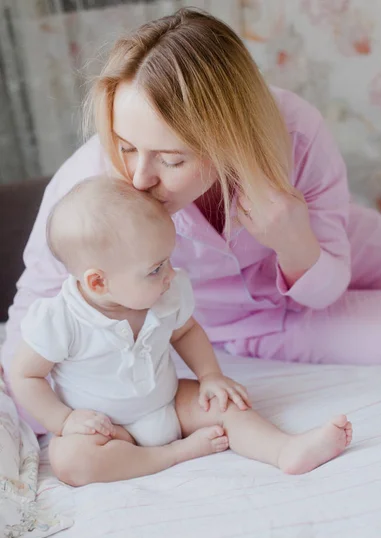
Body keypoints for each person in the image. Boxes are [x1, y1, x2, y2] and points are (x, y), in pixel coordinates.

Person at [2, 9, 381, 436]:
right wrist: (59, 421)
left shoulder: (295, 133)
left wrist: (292, 240)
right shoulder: (90, 188)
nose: (139, 178)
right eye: (126, 146)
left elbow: (328, 276)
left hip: (336, 246)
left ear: (232, 139)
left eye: (172, 159)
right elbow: (35, 312)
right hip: (262, 323)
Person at [9, 177, 352, 486]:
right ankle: (174, 455)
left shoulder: (165, 293)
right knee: (69, 461)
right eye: (156, 268)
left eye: (168, 260)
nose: (170, 273)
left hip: (169, 403)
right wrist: (65, 420)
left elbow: (186, 332)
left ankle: (285, 450)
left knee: (225, 403)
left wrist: (210, 375)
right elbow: (24, 376)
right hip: (108, 430)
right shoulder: (60, 319)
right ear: (98, 282)